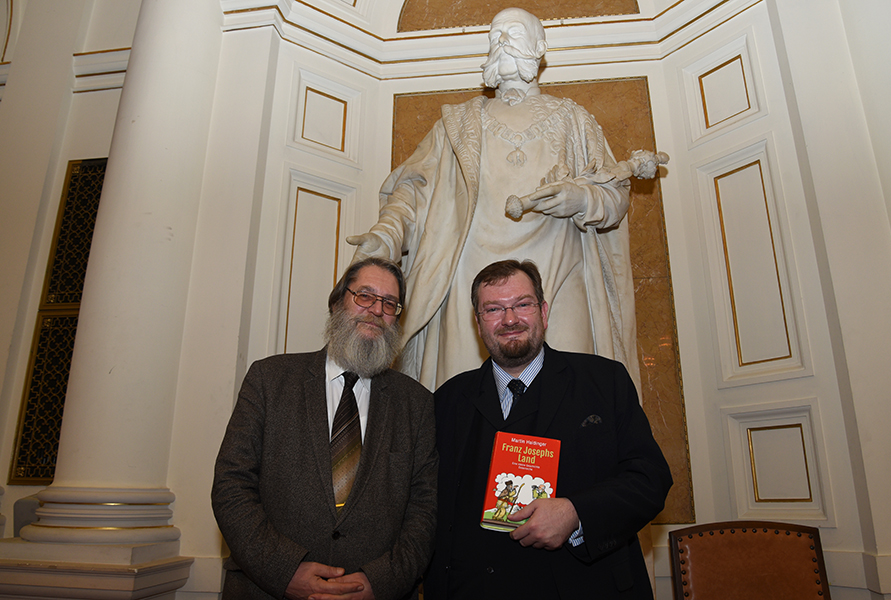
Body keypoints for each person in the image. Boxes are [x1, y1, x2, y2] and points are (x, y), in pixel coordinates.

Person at [348, 8, 644, 391]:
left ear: (540, 47)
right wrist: (386, 235)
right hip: (469, 283)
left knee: (572, 400)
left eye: (513, 32)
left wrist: (580, 198)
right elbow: (414, 191)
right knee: (463, 405)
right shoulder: (458, 123)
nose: (501, 41)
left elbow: (614, 196)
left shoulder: (574, 120)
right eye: (495, 35)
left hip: (559, 275)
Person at [424, 260, 672, 599]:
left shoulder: (604, 381)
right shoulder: (446, 401)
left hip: (586, 588)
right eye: (493, 309)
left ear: (542, 310)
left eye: (522, 304)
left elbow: (649, 479)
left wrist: (576, 513)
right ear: (478, 322)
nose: (510, 319)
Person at [212, 257, 438, 600]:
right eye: (365, 295)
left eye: (389, 303)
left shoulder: (416, 404)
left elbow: (425, 509)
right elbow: (231, 485)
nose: (377, 310)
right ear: (337, 303)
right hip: (266, 590)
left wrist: (380, 582)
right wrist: (284, 571)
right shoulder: (269, 380)